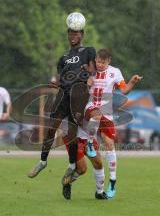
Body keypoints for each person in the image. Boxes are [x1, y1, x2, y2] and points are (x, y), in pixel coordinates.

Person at [28, 27, 96, 179]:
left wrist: (88, 69)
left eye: (76, 33)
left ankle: (72, 165)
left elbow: (92, 70)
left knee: (72, 133)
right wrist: (55, 82)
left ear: (82, 35)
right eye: (70, 34)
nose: (73, 36)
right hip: (63, 95)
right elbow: (61, 78)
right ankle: (42, 161)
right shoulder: (63, 58)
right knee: (51, 128)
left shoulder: (88, 51)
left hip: (78, 95)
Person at [84, 48, 142, 198]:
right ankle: (90, 142)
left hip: (107, 111)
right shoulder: (91, 69)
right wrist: (88, 81)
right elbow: (86, 83)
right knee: (96, 114)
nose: (99, 64)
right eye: (98, 61)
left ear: (108, 61)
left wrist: (132, 82)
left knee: (110, 145)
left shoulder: (115, 72)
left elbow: (124, 91)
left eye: (102, 62)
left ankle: (113, 181)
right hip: (91, 107)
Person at [61, 122, 107, 200]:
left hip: (88, 138)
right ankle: (67, 182)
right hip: (74, 138)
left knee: (98, 164)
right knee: (82, 169)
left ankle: (99, 192)